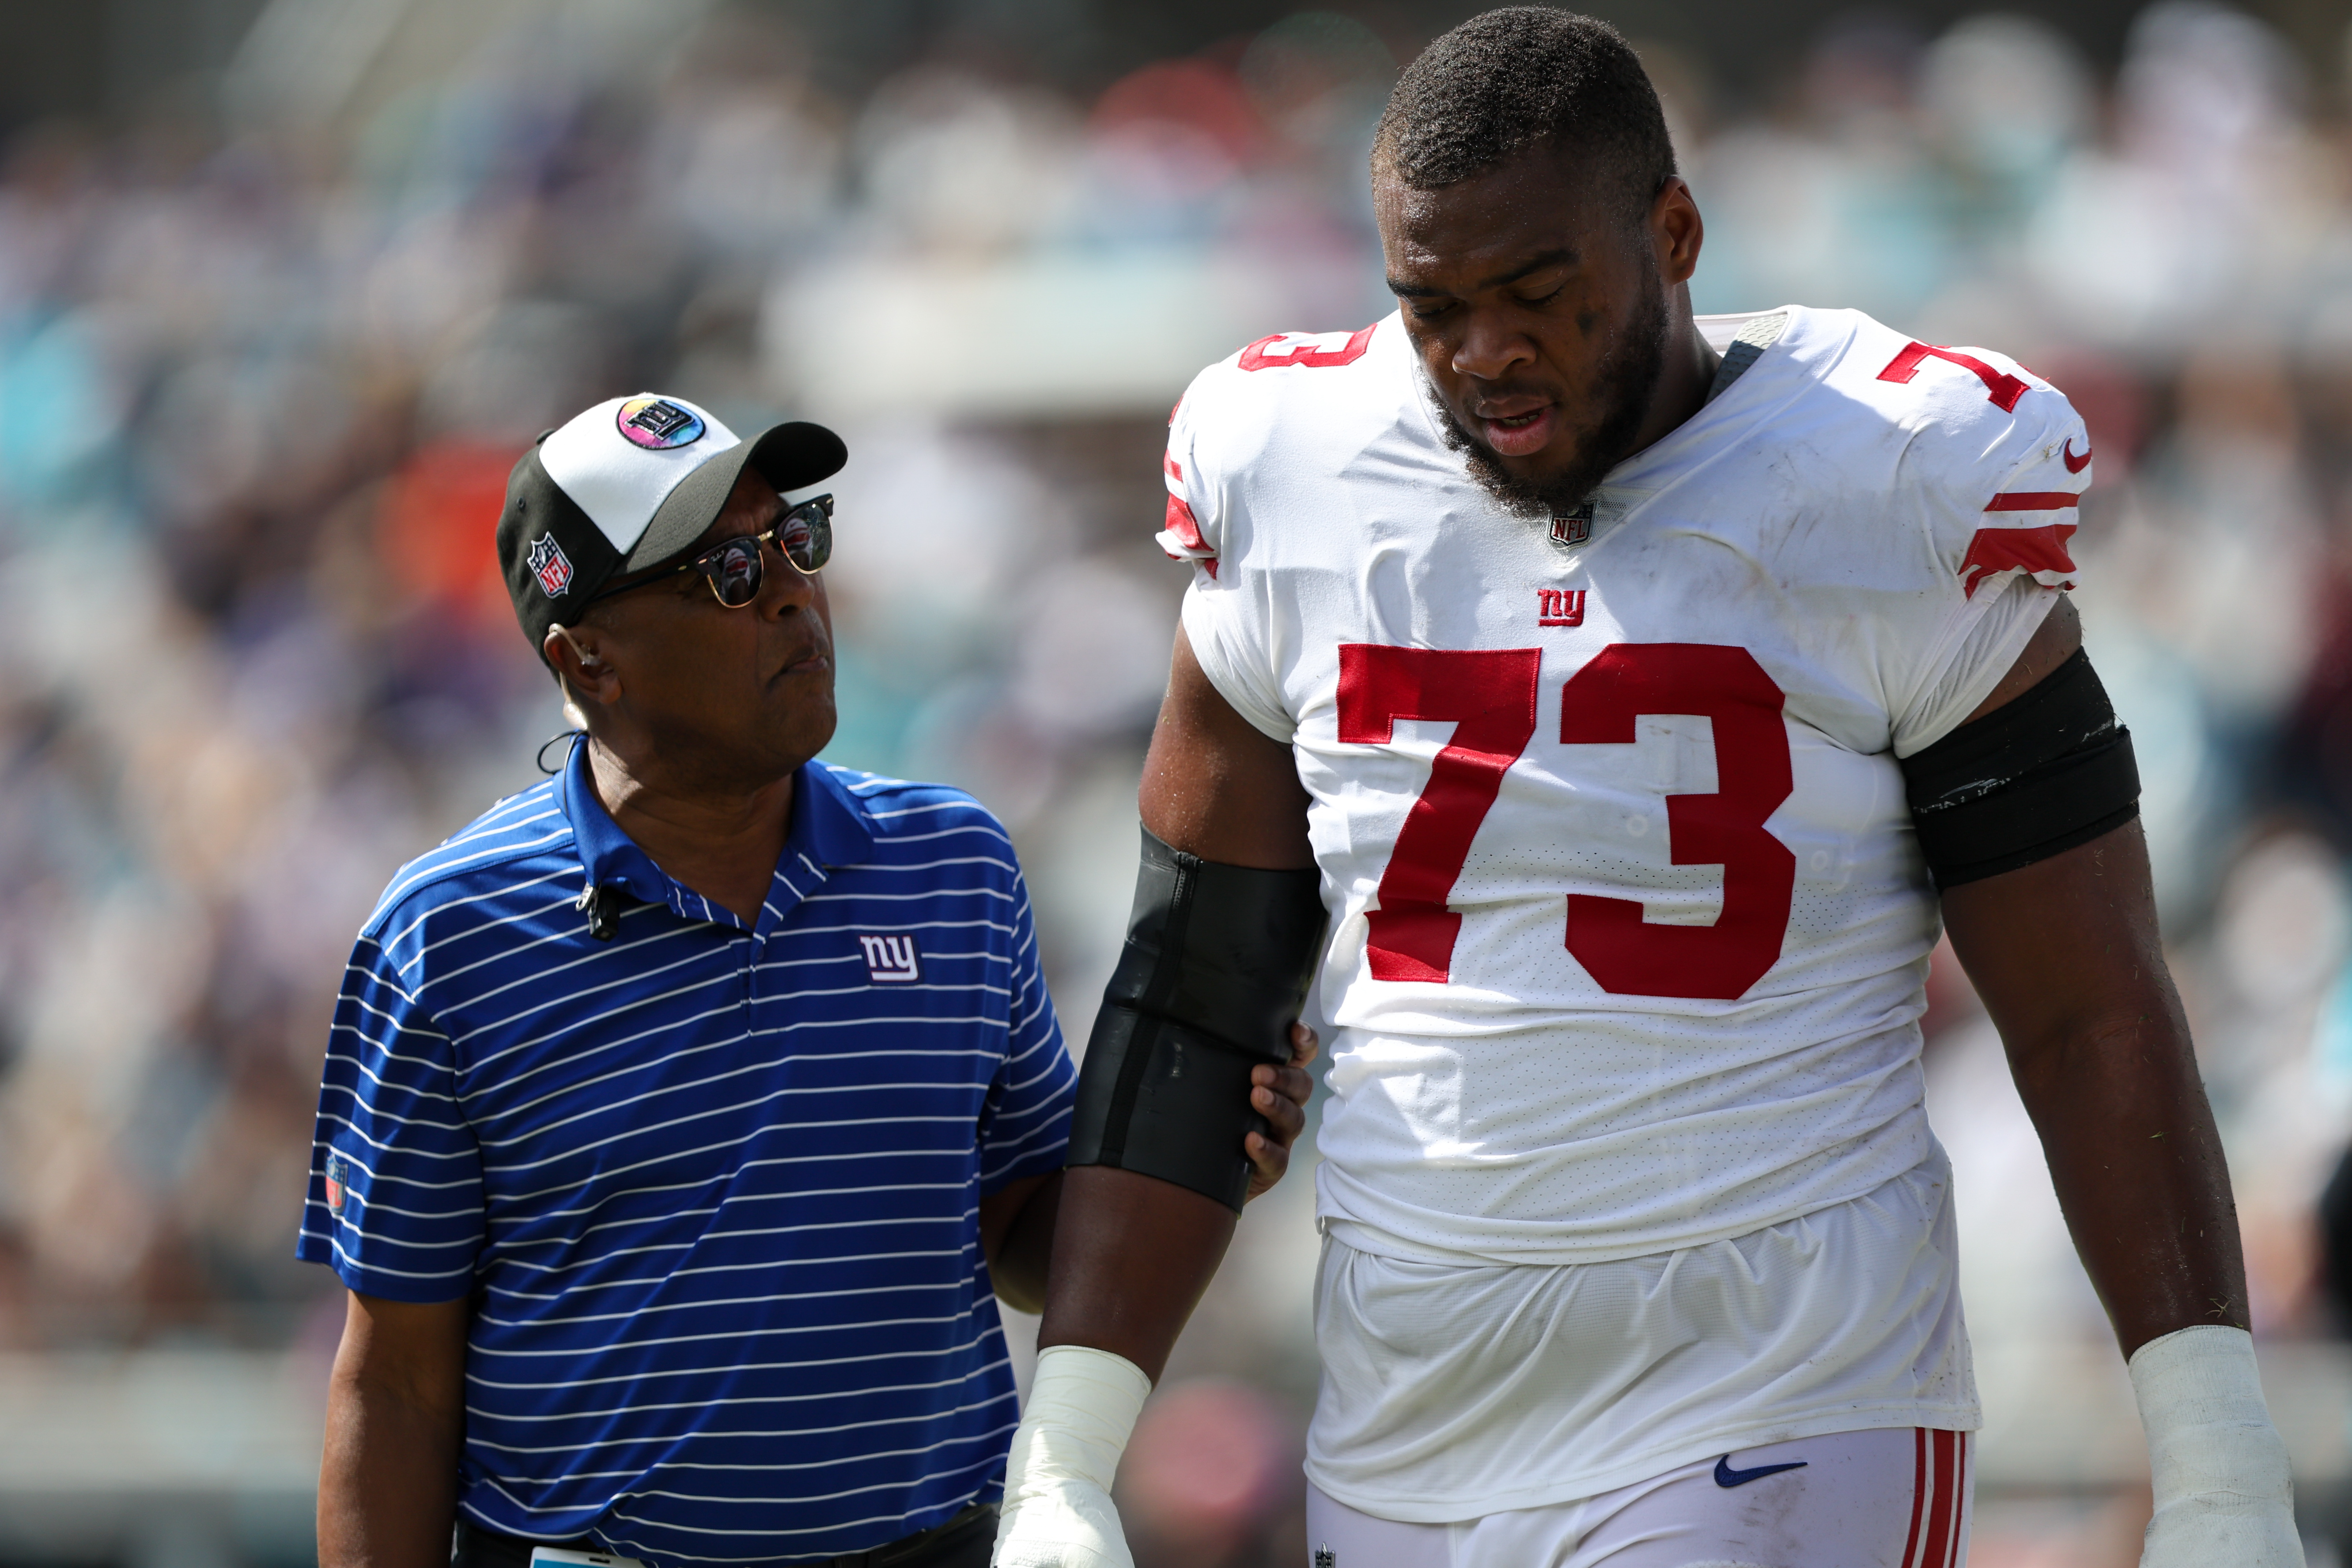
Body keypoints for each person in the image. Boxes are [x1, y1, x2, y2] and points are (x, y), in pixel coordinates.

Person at [993, 12, 2299, 1568]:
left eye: (1537, 293)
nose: (1483, 353)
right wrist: (1064, 1469)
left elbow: (2089, 1008)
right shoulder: (1292, 469)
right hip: (1408, 1398)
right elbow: (1197, 992)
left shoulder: (1886, 470)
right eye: (1433, 307)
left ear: (1673, 232)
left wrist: (2219, 1468)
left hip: (1783, 1370)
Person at [296, 393, 1316, 1568]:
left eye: (795, 540)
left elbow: (1023, 1235)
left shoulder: (952, 863)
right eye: (725, 573)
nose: (791, 591)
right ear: (589, 660)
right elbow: (397, 1387)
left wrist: (1195, 1142)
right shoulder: (448, 935)